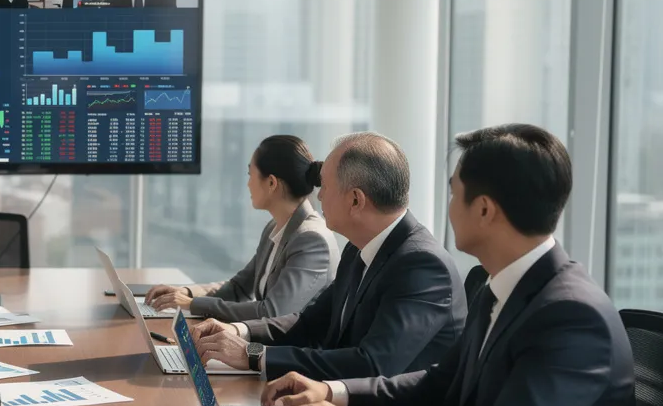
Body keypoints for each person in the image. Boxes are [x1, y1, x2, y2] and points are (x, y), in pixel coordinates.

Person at [263, 124, 634, 406]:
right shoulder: (505, 288)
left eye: (455, 193)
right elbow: (440, 382)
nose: (447, 207)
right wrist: (333, 393)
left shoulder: (572, 317)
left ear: (484, 210)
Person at [190, 132, 466, 380]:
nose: (318, 197)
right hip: (333, 403)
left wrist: (252, 354)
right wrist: (238, 332)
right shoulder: (359, 248)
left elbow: (371, 365)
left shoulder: (422, 266)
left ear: (356, 200)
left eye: (325, 187)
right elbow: (308, 323)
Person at [145, 135, 339, 322]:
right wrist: (185, 293)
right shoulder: (275, 227)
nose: (248, 184)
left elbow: (273, 311)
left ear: (271, 183)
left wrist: (192, 304)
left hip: (288, 351)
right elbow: (239, 288)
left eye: (250, 175)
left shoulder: (312, 239)